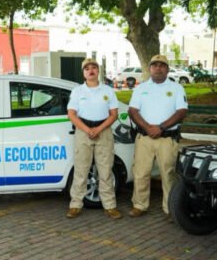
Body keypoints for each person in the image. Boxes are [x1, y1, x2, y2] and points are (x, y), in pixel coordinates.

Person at [127, 54, 189, 217]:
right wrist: (148, 128)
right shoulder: (141, 88)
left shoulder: (177, 88)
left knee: (168, 174)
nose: (158, 68)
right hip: (145, 138)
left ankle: (170, 208)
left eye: (162, 65)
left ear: (167, 69)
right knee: (141, 173)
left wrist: (160, 127)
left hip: (167, 138)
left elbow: (182, 112)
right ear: (150, 69)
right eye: (155, 65)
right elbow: (132, 111)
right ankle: (139, 205)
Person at [65, 58, 122, 219]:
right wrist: (87, 129)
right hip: (83, 132)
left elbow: (114, 115)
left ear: (98, 71)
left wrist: (98, 129)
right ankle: (75, 205)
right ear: (83, 73)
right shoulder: (78, 91)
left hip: (103, 132)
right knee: (81, 170)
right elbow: (71, 114)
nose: (91, 71)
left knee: (105, 170)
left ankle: (110, 206)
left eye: (94, 68)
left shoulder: (108, 90)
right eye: (87, 68)